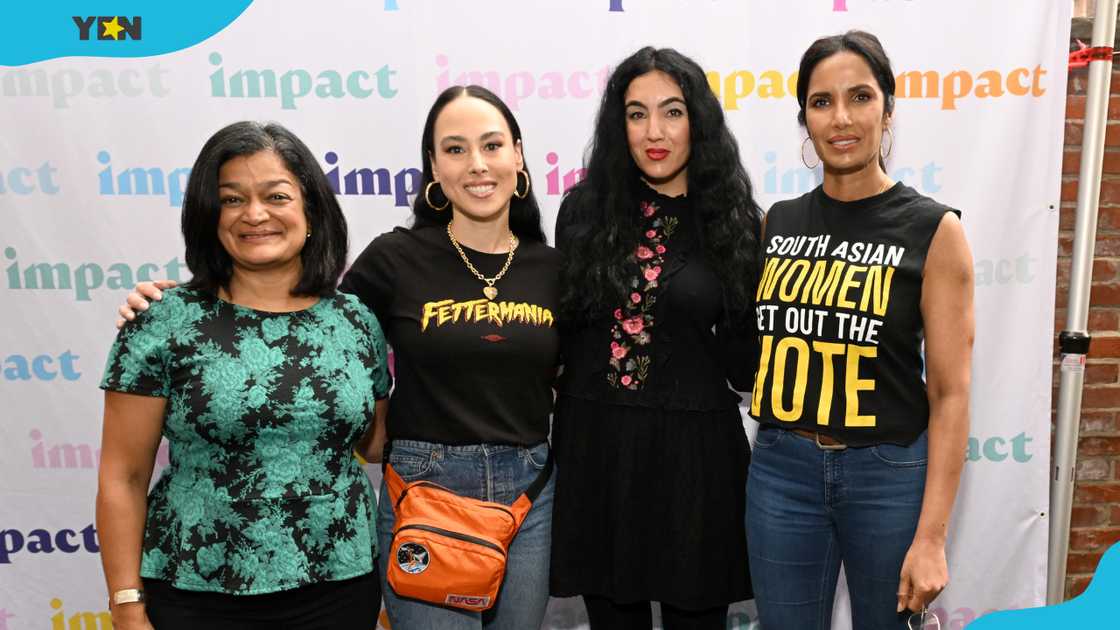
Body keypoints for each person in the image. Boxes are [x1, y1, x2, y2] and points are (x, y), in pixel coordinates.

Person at [117, 86, 559, 630]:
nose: (477, 164)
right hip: (424, 493)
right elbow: (307, 322)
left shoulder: (554, 269)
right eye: (454, 148)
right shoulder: (393, 259)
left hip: (529, 494)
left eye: (491, 145)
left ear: (518, 154)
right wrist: (164, 306)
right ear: (432, 166)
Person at [97, 121, 390, 630]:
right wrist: (126, 604)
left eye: (276, 196)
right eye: (232, 199)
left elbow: (378, 442)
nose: (255, 214)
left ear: (311, 211)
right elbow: (123, 476)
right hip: (197, 589)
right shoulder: (163, 320)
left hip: (340, 588)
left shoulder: (355, 321)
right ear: (210, 216)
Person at [745, 30, 974, 630]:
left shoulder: (934, 230)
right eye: (821, 102)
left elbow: (950, 393)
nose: (841, 118)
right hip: (781, 470)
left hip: (888, 476)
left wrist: (932, 538)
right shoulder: (778, 223)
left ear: (887, 109)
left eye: (860, 97)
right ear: (805, 119)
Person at [550, 47, 763, 630]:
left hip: (695, 462)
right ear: (618, 126)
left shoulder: (734, 222)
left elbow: (744, 368)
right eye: (636, 114)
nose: (654, 132)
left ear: (699, 121)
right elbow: (565, 339)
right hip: (598, 454)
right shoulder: (583, 212)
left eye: (672, 111)